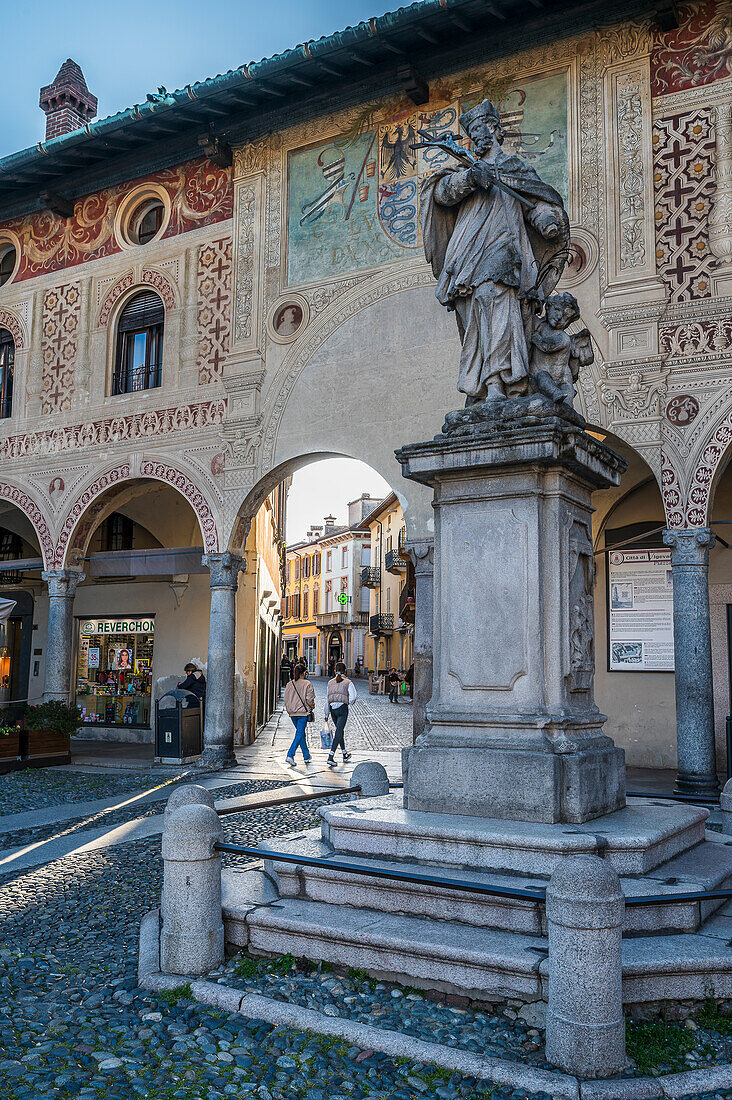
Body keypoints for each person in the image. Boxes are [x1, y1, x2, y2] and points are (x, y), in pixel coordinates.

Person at [420, 98, 568, 404]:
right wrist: (471, 178)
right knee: (477, 313)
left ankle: (500, 382)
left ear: (497, 130)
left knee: (495, 298)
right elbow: (442, 194)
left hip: (505, 249)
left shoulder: (517, 168)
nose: (479, 135)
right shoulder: (466, 168)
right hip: (467, 254)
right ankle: (487, 385)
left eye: (485, 127)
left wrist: (547, 220)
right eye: (473, 131)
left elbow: (536, 203)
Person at [324, 660, 355, 768]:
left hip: (332, 709)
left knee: (339, 731)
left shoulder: (330, 683)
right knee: (339, 731)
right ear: (345, 671)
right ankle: (330, 757)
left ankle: (344, 754)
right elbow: (353, 697)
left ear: (334, 670)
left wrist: (326, 713)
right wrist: (347, 702)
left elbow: (327, 698)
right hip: (342, 709)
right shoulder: (348, 682)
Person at [283, 664, 314, 766]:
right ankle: (290, 754)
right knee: (300, 733)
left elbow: (286, 699)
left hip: (292, 713)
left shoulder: (289, 684)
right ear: (304, 672)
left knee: (301, 734)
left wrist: (289, 709)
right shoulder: (307, 684)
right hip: (302, 713)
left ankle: (306, 755)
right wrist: (311, 708)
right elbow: (310, 699)